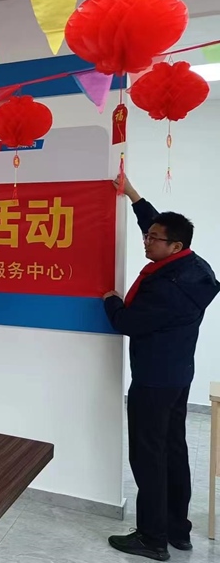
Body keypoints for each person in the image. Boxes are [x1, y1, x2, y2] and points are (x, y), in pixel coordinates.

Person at [105, 177, 219, 561]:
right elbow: (157, 224)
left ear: (175, 246)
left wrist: (110, 301)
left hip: (153, 381)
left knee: (148, 456)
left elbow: (127, 322)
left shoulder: (168, 287)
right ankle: (176, 530)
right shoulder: (192, 267)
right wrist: (132, 195)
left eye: (153, 238)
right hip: (177, 375)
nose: (146, 241)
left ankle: (152, 538)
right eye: (148, 235)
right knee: (172, 449)